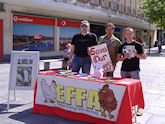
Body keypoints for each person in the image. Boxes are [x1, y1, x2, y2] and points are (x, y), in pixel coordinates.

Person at [117, 27, 147, 116]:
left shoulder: (138, 45)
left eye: (130, 33)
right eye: (127, 33)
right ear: (124, 35)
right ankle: (128, 106)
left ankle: (140, 108)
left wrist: (136, 54)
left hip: (135, 70)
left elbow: (144, 57)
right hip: (124, 70)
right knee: (125, 89)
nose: (128, 35)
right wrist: (124, 57)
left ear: (133, 34)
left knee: (137, 89)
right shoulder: (121, 46)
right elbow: (118, 58)